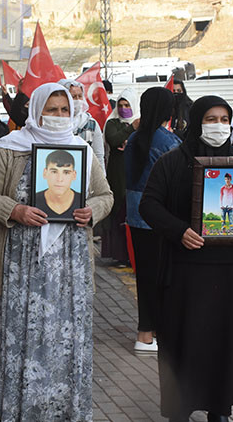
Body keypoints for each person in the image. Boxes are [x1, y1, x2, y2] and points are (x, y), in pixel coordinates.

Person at [0, 83, 113, 421]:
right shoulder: (10, 148)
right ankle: (13, 406)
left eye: (64, 110)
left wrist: (92, 209)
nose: (59, 117)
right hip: (18, 264)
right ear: (35, 111)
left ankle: (62, 407)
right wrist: (13, 210)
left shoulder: (82, 149)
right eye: (51, 110)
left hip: (69, 266)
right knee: (18, 330)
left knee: (66, 333)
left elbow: (105, 194)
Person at [140, 95, 233, 422]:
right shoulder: (172, 161)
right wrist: (179, 230)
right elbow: (149, 206)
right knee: (183, 341)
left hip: (229, 270)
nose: (219, 126)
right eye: (211, 119)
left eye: (225, 119)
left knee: (223, 344)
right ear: (197, 121)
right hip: (186, 269)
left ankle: (220, 408)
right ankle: (179, 409)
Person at [124, 87, 181, 354]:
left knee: (145, 277)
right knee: (165, 278)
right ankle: (151, 333)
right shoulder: (169, 142)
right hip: (163, 218)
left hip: (137, 217)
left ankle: (146, 332)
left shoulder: (134, 138)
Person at [103, 87, 139, 265]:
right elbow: (114, 139)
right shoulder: (112, 122)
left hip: (135, 173)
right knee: (118, 212)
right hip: (117, 174)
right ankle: (119, 254)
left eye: (127, 105)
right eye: (121, 105)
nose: (124, 108)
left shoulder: (141, 122)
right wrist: (130, 129)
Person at [59, 78, 105, 169]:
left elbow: (98, 156)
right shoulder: (53, 123)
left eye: (79, 96)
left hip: (85, 173)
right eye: (73, 96)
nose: (77, 100)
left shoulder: (91, 124)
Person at [35, 150, 83, 218]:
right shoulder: (34, 200)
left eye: (66, 173)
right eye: (54, 172)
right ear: (45, 173)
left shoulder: (83, 202)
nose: (59, 179)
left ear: (74, 175)